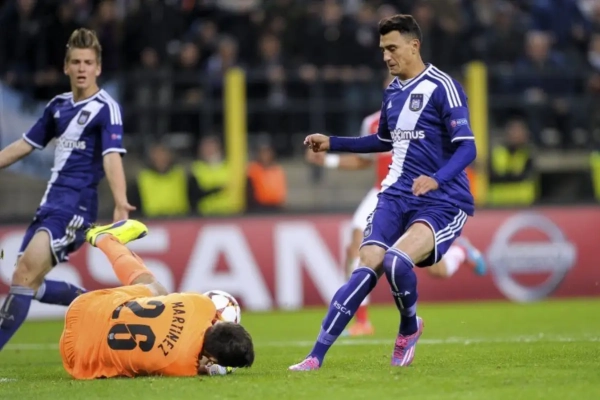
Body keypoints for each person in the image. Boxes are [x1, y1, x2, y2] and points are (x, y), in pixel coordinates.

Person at [289, 14, 477, 370]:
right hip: (395, 195)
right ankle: (315, 357)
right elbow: (382, 141)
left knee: (396, 261)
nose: (386, 56)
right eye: (382, 50)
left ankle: (408, 327)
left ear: (414, 45)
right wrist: (333, 143)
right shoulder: (392, 92)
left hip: (442, 200)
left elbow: (468, 147)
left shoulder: (443, 86)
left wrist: (437, 178)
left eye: (392, 48)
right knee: (365, 266)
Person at [0, 28, 134, 350]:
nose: (82, 68)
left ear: (98, 68)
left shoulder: (106, 108)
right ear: (66, 67)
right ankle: (100, 306)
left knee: (24, 274)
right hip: (49, 203)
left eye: (88, 62)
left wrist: (120, 202)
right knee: (28, 283)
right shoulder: (57, 106)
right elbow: (24, 145)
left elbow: (111, 156)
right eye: (76, 62)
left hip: (76, 206)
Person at [305, 109, 486, 337]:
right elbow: (364, 159)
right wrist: (329, 160)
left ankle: (459, 252)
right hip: (383, 192)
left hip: (416, 193)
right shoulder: (373, 122)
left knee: (434, 268)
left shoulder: (428, 114)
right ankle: (363, 321)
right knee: (355, 247)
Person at [60, 219, 254, 379]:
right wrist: (213, 366)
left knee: (157, 291)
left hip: (84, 306)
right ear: (212, 357)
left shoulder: (201, 304)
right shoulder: (182, 367)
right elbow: (199, 363)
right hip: (76, 355)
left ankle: (105, 239)